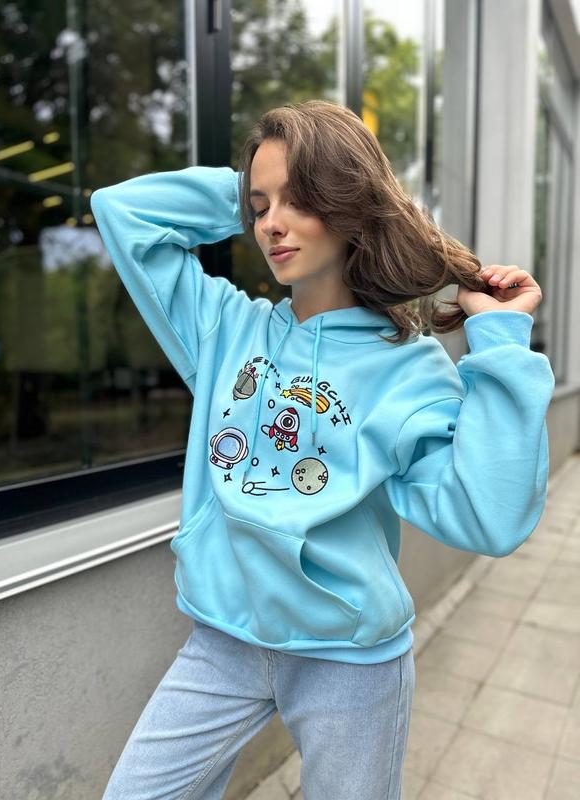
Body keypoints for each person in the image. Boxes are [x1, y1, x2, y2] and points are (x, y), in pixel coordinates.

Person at [91, 99, 553, 800]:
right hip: (224, 640)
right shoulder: (224, 329)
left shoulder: (408, 368)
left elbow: (488, 517)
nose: (270, 224)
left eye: (299, 199)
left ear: (346, 203)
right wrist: (248, 188)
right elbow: (121, 212)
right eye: (260, 208)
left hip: (349, 660)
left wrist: (499, 343)